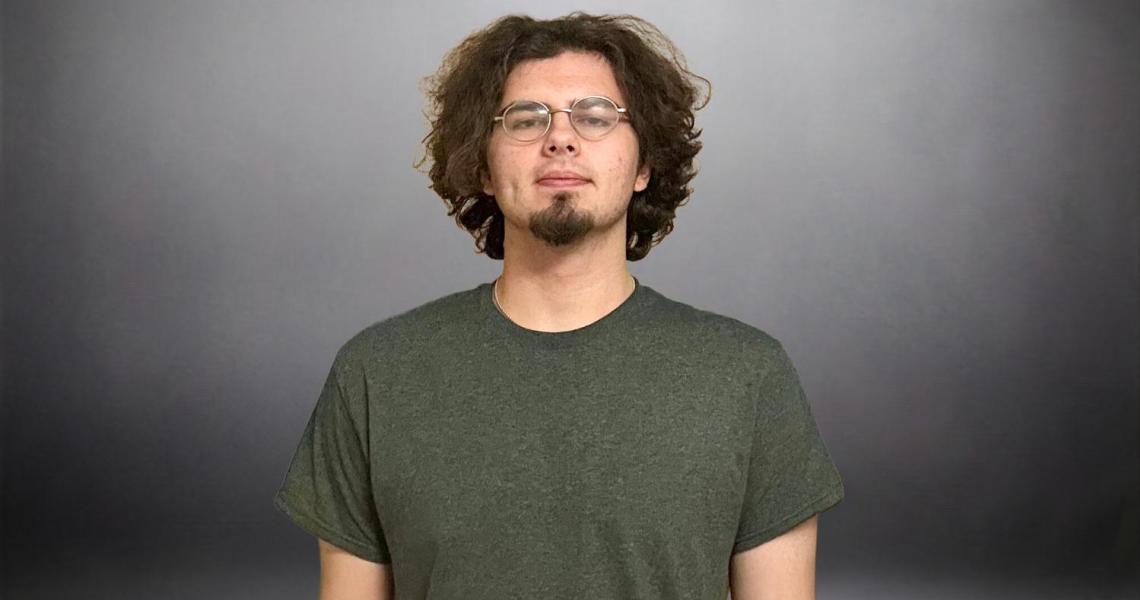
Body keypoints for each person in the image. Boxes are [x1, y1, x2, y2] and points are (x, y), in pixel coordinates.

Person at [274, 11, 844, 600]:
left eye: (596, 116)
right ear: (485, 167)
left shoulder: (748, 376)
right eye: (526, 119)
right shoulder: (375, 373)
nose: (561, 137)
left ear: (644, 165)